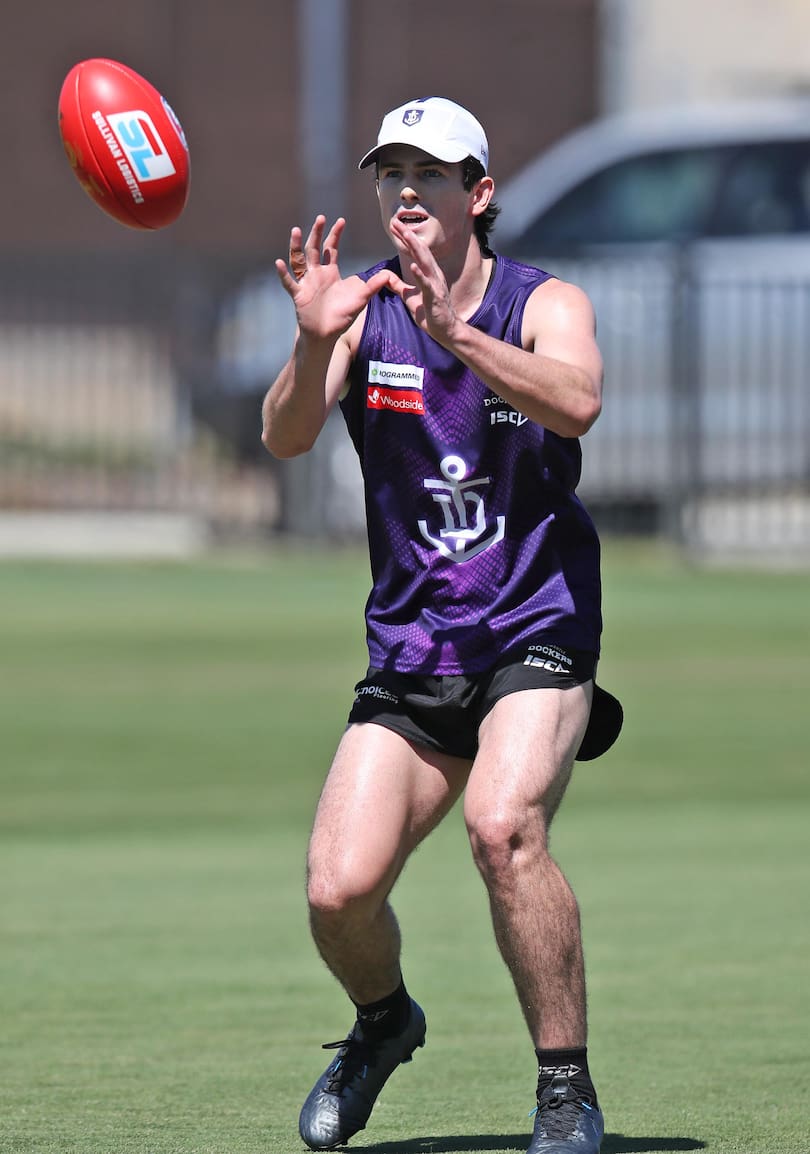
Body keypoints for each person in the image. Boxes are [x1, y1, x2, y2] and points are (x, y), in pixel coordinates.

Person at [261, 96, 623, 1154]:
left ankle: (565, 1089)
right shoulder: (363, 313)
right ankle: (384, 1023)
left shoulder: (543, 300)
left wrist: (457, 333)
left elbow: (580, 400)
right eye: (390, 174)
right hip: (417, 647)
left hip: (537, 628)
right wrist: (308, 336)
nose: (407, 192)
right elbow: (284, 437)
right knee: (339, 889)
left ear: (480, 193)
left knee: (503, 825)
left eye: (432, 173)